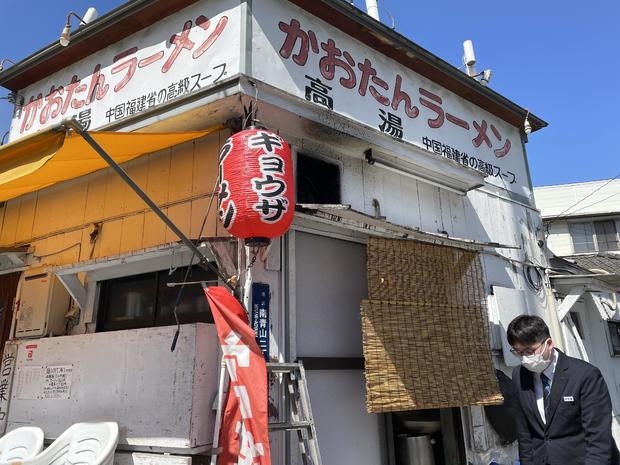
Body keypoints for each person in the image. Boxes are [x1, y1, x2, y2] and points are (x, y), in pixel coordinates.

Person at [507, 314, 618, 465]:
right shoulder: (519, 376)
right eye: (518, 352)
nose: (525, 358)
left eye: (530, 351)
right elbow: (524, 433)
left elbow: (598, 436)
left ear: (549, 343)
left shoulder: (584, 375)